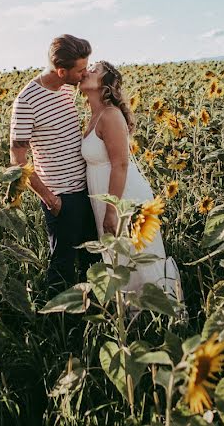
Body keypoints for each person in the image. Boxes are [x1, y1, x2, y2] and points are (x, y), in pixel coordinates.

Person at [78, 60, 182, 301]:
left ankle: (158, 312)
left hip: (123, 197)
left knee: (137, 253)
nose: (86, 71)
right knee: (119, 256)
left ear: (104, 85)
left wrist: (113, 210)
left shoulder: (110, 115)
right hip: (105, 195)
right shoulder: (93, 116)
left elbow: (120, 164)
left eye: (94, 70)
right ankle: (132, 315)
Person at [9, 35, 101, 294]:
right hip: (61, 196)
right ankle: (57, 324)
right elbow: (17, 159)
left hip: (87, 188)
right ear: (62, 71)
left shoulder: (67, 88)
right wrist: (50, 198)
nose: (85, 73)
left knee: (92, 260)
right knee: (62, 265)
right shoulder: (27, 101)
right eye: (81, 69)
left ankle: (92, 314)